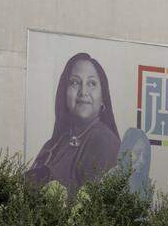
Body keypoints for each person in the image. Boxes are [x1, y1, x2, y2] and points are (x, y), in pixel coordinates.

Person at [27, 53, 121, 193]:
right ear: (63, 92)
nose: (83, 92)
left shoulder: (104, 141)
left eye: (92, 83)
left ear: (103, 98)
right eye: (75, 82)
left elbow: (93, 206)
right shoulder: (54, 144)